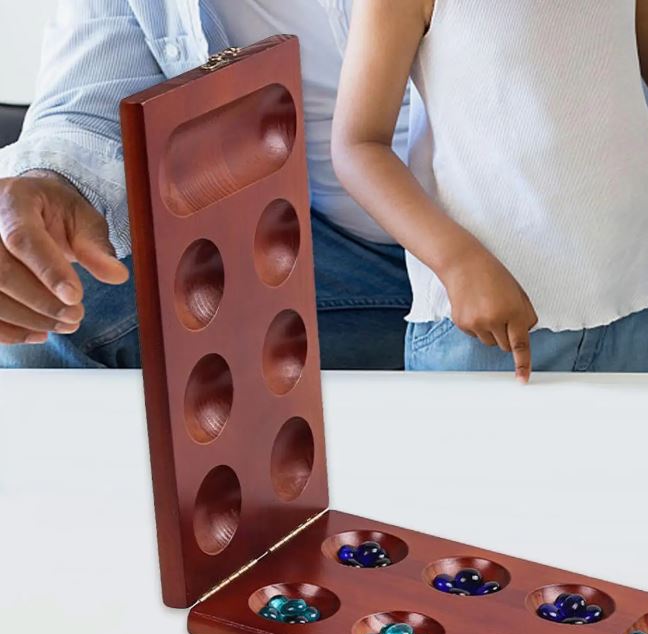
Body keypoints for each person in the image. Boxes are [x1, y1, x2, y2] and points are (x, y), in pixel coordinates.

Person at [0, 0, 648, 373]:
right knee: (46, 313)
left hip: (621, 246)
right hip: (321, 261)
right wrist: (48, 186)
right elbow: (358, 143)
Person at [332, 0, 648, 380]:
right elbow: (358, 144)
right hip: (485, 327)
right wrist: (456, 261)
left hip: (635, 302)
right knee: (474, 509)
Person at [0, 0, 412, 369]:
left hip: (462, 241)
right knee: (46, 305)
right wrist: (48, 185)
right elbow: (90, 100)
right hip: (317, 244)